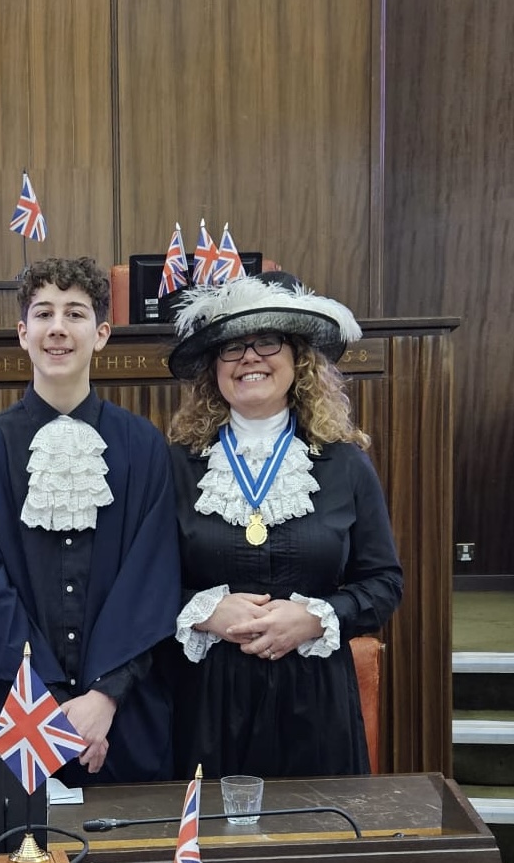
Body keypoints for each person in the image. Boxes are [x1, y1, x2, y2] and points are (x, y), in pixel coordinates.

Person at [164, 270, 403, 779]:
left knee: (315, 847)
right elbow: (140, 586)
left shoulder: (346, 464)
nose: (250, 357)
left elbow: (384, 583)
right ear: (213, 369)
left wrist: (317, 618)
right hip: (206, 699)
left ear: (298, 358)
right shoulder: (176, 467)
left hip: (316, 700)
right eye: (231, 346)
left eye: (267, 341)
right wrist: (204, 611)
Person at [0, 257, 179, 784]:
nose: (58, 327)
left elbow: (152, 580)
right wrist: (50, 707)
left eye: (75, 314)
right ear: (22, 333)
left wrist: (103, 695)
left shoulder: (143, 445)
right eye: (43, 313)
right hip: (16, 713)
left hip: (124, 713)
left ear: (101, 334)